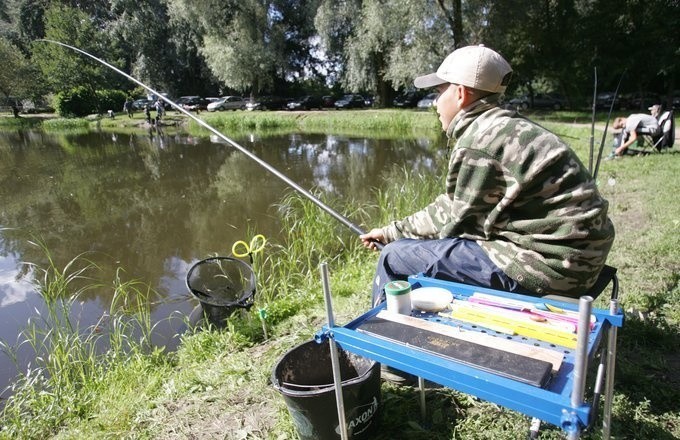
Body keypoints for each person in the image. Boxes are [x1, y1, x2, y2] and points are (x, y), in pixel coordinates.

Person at [360, 45, 615, 308]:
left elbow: (454, 223)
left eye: (439, 91)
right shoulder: (505, 126)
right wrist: (392, 231)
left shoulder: (478, 141)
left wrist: (393, 239)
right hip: (581, 261)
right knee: (421, 248)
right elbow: (454, 206)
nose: (435, 103)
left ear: (460, 94)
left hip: (552, 271)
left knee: (394, 257)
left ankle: (382, 332)